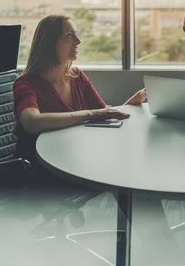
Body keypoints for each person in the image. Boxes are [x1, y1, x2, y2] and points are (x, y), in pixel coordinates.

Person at [13, 14, 145, 167]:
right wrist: (89, 114)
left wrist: (128, 106)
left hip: (72, 159)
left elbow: (102, 114)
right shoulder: (26, 84)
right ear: (49, 43)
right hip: (40, 168)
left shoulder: (77, 77)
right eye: (69, 35)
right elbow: (32, 122)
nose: (78, 41)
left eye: (76, 34)